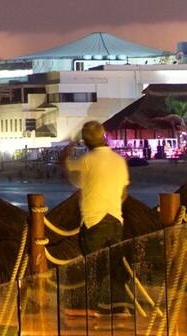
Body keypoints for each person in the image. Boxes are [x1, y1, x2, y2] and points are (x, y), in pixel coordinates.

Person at [64, 121, 130, 318]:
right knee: (114, 263)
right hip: (116, 218)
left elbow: (70, 174)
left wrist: (68, 147)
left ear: (85, 141)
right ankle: (119, 306)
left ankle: (91, 306)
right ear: (104, 136)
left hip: (94, 219)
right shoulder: (119, 160)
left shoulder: (86, 160)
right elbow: (123, 192)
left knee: (93, 265)